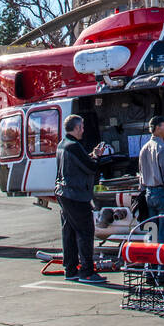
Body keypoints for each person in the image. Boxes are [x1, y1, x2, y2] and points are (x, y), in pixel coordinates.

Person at [54, 115, 109, 285]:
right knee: (85, 231)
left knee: (69, 232)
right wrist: (97, 157)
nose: (83, 130)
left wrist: (91, 155)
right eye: (82, 127)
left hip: (64, 193)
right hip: (76, 195)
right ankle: (86, 271)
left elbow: (79, 163)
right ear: (77, 128)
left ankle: (70, 269)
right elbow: (90, 167)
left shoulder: (62, 145)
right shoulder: (74, 147)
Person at [138, 116, 164, 243]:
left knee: (152, 233)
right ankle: (163, 262)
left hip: (149, 194)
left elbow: (141, 176)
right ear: (157, 128)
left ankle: (152, 261)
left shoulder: (144, 149)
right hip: (162, 194)